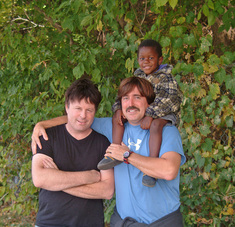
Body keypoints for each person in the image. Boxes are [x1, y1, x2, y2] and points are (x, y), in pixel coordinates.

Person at [32, 76, 186, 226]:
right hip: (124, 221)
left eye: (137, 97)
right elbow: (78, 119)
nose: (131, 103)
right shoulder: (110, 128)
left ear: (149, 102)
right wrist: (42, 125)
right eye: (125, 98)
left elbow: (169, 170)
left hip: (162, 221)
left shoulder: (167, 131)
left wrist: (127, 155)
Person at [97, 39, 183, 187]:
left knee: (155, 126)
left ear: (160, 59)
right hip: (147, 113)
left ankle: (150, 169)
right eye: (142, 59)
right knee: (117, 118)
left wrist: (150, 114)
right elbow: (125, 94)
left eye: (151, 58)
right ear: (137, 60)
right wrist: (118, 109)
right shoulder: (138, 76)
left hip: (165, 113)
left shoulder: (165, 77)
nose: (146, 62)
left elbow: (170, 100)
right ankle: (114, 152)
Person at [31, 78, 114, 227]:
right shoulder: (47, 136)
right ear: (67, 107)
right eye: (78, 109)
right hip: (49, 223)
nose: (83, 115)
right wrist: (89, 176)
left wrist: (57, 180)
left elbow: (107, 191)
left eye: (89, 110)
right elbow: (39, 179)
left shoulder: (103, 143)